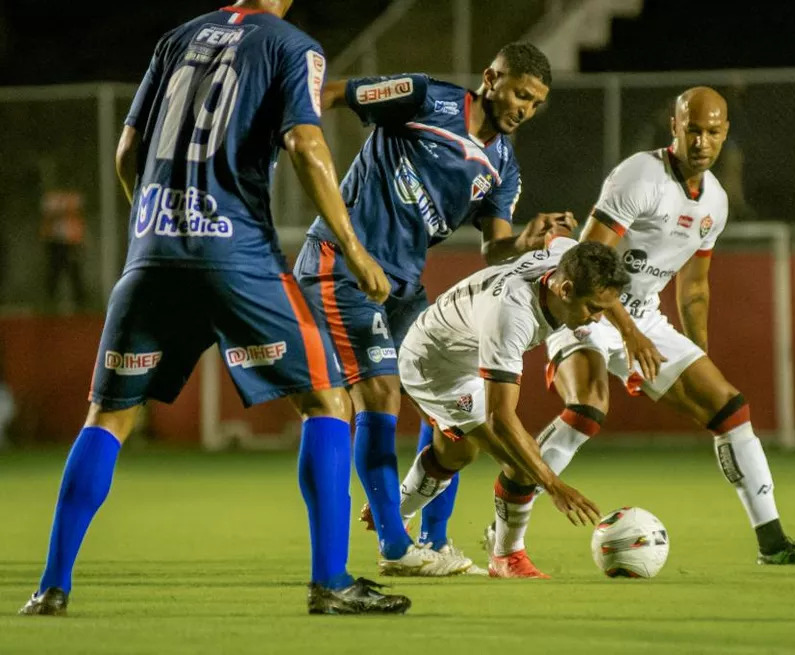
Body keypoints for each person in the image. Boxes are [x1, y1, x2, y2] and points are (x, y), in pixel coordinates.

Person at [20, 0, 409, 617]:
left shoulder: (176, 38)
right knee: (327, 397)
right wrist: (356, 252)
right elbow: (306, 141)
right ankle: (330, 582)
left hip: (151, 251)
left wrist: (158, 227)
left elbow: (128, 150)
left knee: (108, 416)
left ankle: (50, 588)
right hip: (236, 253)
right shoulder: (292, 45)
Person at [486, 86, 795, 567]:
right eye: (693, 129)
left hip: (643, 314)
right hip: (583, 305)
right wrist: (627, 332)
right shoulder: (639, 176)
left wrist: (697, 352)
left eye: (713, 132)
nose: (702, 141)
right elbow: (587, 264)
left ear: (725, 133)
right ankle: (505, 536)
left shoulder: (715, 201)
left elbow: (694, 286)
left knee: (729, 409)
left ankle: (773, 543)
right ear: (675, 126)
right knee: (586, 408)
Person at [294, 42, 572, 575]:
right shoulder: (425, 97)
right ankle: (395, 548)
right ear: (490, 78)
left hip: (401, 282)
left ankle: (435, 540)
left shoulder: (503, 168)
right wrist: (285, 136)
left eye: (534, 103)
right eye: (518, 93)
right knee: (379, 391)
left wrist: (527, 241)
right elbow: (330, 95)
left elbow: (494, 247)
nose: (523, 109)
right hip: (342, 262)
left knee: (452, 400)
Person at [395, 237, 624, 576]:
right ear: (565, 289)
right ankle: (506, 556)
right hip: (435, 365)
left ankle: (392, 515)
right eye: (593, 307)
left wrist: (538, 232)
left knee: (457, 454)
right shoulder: (512, 316)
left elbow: (559, 240)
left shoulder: (567, 257)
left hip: (460, 349)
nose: (597, 319)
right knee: (522, 460)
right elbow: (500, 418)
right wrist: (554, 486)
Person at [39, 187, 87, 311]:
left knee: (73, 271)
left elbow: (76, 210)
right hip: (55, 242)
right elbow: (48, 213)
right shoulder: (50, 197)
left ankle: (80, 301)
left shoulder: (74, 197)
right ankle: (49, 300)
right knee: (54, 272)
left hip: (71, 242)